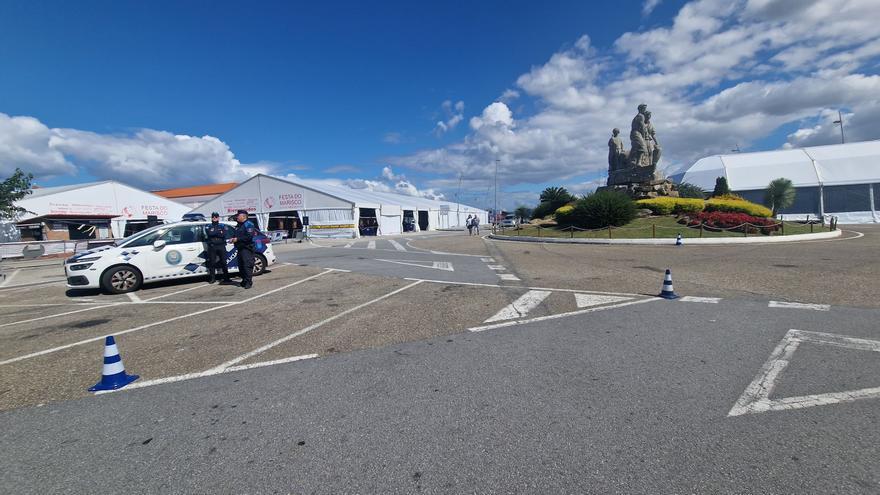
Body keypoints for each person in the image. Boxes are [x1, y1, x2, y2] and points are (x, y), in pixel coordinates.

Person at [229, 209, 256, 289]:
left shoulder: (248, 224)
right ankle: (244, 280)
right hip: (240, 248)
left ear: (244, 216)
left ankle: (249, 282)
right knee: (241, 266)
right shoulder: (239, 225)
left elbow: (249, 237)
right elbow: (237, 234)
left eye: (238, 215)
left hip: (247, 248)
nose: (237, 216)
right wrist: (233, 239)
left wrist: (237, 239)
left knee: (247, 265)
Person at [205, 212, 230, 284]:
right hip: (212, 247)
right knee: (212, 263)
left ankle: (226, 278)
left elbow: (224, 234)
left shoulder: (223, 225)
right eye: (213, 217)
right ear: (211, 218)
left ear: (218, 218)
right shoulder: (208, 226)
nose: (214, 218)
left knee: (224, 262)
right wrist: (219, 232)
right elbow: (209, 233)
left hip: (221, 246)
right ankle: (212, 278)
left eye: (216, 217)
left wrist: (215, 233)